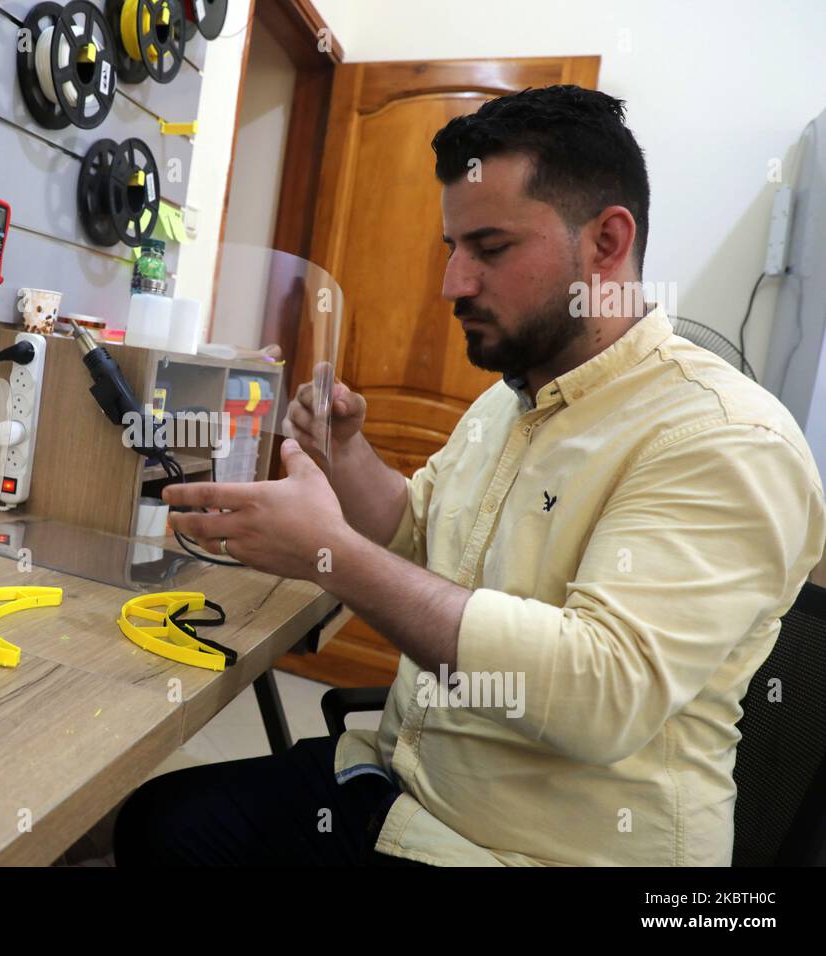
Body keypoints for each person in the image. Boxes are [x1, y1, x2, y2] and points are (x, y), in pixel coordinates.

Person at [113, 84, 826, 866]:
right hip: (409, 788)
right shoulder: (508, 398)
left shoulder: (726, 438)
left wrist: (333, 554)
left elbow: (600, 693)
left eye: (490, 250)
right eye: (451, 251)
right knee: (158, 821)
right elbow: (420, 534)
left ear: (607, 243)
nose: (454, 283)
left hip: (523, 853)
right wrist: (349, 457)